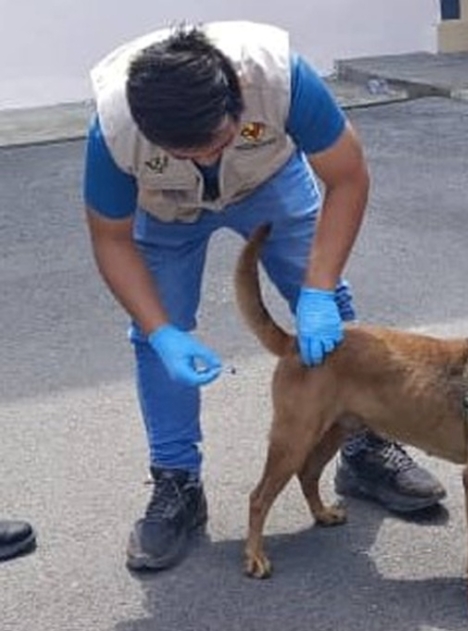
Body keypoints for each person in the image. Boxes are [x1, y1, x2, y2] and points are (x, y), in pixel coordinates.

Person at [83, 22, 444, 572]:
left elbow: (347, 177)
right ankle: (176, 482)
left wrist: (319, 289)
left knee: (336, 320)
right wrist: (160, 330)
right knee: (155, 339)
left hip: (269, 184)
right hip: (166, 210)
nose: (206, 158)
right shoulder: (113, 128)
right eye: (189, 150)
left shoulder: (280, 78)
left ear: (236, 97)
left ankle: (362, 448)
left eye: (217, 141)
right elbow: (111, 239)